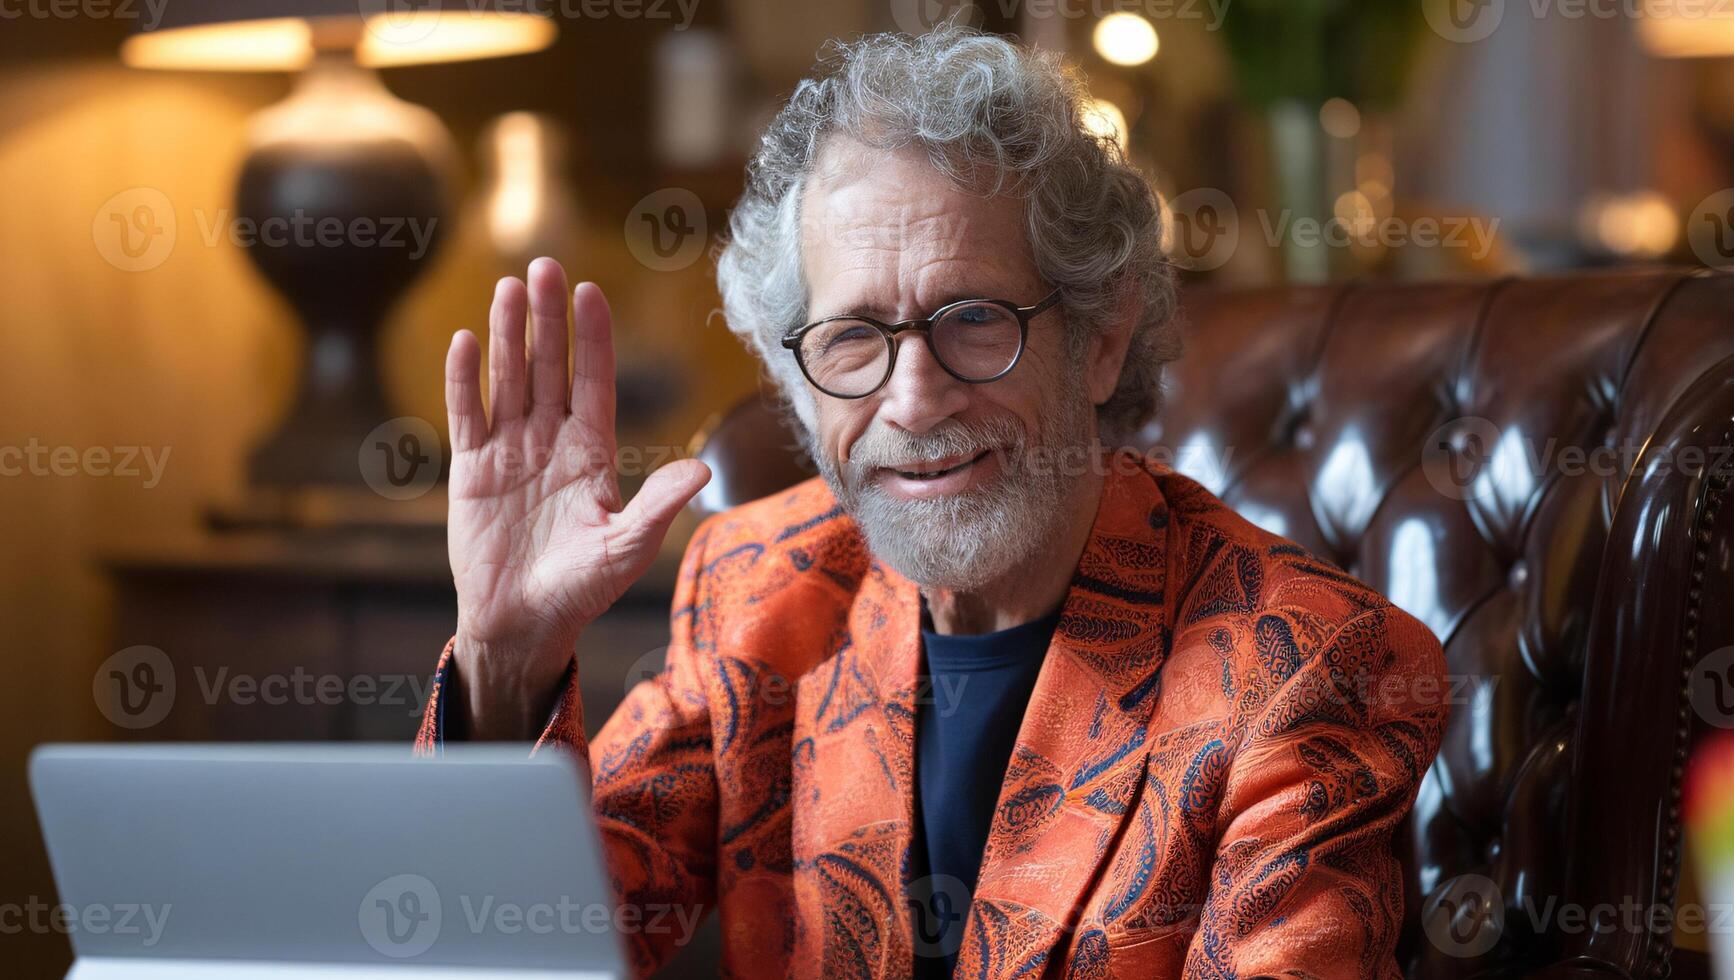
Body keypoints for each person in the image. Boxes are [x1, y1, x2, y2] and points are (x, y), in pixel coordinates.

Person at [418, 25, 1449, 979]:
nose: (913, 399)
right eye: (852, 337)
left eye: (974, 318)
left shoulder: (1300, 662)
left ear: (1098, 338)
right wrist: (505, 659)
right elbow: (514, 945)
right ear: (798, 380)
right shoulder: (755, 589)